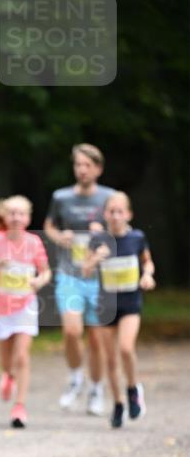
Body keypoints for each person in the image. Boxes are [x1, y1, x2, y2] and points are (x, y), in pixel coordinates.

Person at [43, 144, 115, 414]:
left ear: (98, 168)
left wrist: (104, 231)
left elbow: (121, 227)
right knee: (72, 331)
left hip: (100, 277)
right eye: (78, 165)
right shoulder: (61, 197)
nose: (82, 170)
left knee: (96, 338)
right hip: (69, 272)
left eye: (88, 165)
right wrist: (59, 236)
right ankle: (75, 377)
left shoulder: (110, 197)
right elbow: (50, 224)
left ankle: (96, 389)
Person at [0, 196, 51, 427]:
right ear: (5, 217)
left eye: (21, 213)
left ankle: (19, 407)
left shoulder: (34, 242)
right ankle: (8, 375)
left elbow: (46, 272)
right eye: (12, 213)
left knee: (22, 356)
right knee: (7, 361)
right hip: (0, 307)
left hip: (25, 305)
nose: (16, 217)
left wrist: (39, 281)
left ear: (27, 218)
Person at [82, 192, 156, 428]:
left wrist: (147, 276)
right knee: (111, 360)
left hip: (130, 305)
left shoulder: (137, 237)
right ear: (105, 214)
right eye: (111, 211)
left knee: (125, 348)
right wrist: (96, 259)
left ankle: (133, 389)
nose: (115, 216)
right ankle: (118, 403)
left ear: (128, 214)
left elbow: (147, 261)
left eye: (120, 211)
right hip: (106, 308)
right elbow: (84, 270)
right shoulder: (98, 240)